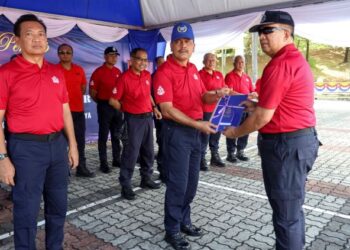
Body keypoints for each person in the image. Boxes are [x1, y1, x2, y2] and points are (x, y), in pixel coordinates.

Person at [223, 10, 319, 250]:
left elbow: (262, 118)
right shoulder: (292, 60)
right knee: (291, 211)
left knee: (286, 216)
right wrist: (255, 104)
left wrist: (235, 133)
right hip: (296, 143)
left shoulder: (280, 64)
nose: (262, 37)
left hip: (286, 147)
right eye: (259, 33)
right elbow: (276, 106)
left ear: (286, 33)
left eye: (268, 31)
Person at [0, 14, 78, 249]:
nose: (36, 39)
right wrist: (3, 158)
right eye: (29, 34)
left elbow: (65, 112)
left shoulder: (56, 72)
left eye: (41, 34)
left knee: (58, 205)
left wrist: (72, 145)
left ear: (46, 40)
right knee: (26, 210)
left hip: (57, 145)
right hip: (25, 149)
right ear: (18, 40)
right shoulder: (6, 73)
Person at [153, 22, 230, 250]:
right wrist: (197, 124)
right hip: (177, 132)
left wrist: (217, 94)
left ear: (193, 46)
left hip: (197, 132)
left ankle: (184, 220)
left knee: (191, 184)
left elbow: (201, 99)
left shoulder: (194, 71)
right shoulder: (164, 73)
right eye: (178, 41)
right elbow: (166, 109)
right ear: (172, 45)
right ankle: (172, 229)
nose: (182, 45)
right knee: (177, 184)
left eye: (187, 42)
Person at [109, 48, 161, 200]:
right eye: (140, 59)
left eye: (145, 60)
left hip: (147, 119)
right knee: (130, 154)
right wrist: (127, 110)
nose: (143, 63)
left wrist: (154, 108)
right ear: (131, 60)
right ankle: (126, 185)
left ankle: (146, 179)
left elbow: (148, 94)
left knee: (149, 151)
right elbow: (113, 100)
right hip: (133, 120)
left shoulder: (146, 75)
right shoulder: (124, 78)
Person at [58, 43, 94, 178]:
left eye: (68, 52)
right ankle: (63, 170)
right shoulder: (54, 70)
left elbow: (83, 87)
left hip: (78, 112)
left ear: (72, 55)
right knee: (61, 143)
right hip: (60, 113)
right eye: (62, 52)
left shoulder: (79, 69)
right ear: (58, 54)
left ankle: (81, 167)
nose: (65, 55)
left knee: (80, 141)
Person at [89, 46, 124, 173]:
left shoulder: (118, 71)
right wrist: (102, 103)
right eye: (111, 55)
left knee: (116, 135)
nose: (114, 57)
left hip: (117, 107)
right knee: (103, 136)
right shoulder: (98, 72)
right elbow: (92, 93)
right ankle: (103, 163)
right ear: (105, 57)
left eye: (115, 55)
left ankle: (116, 159)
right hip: (104, 106)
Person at [224, 55, 255, 162]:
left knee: (245, 129)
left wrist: (253, 94)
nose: (240, 64)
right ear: (234, 63)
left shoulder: (247, 77)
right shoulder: (229, 76)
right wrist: (245, 96)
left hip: (246, 108)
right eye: (238, 62)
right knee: (232, 129)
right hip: (235, 108)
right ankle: (230, 153)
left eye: (242, 62)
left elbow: (252, 91)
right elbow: (229, 92)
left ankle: (240, 151)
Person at [199, 53, 226, 171]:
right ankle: (201, 159)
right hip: (205, 109)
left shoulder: (219, 74)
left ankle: (214, 157)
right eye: (209, 60)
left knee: (216, 134)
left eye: (214, 60)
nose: (212, 62)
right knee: (204, 135)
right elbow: (201, 93)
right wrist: (217, 92)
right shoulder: (199, 74)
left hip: (218, 109)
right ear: (204, 61)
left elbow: (225, 89)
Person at [152, 56, 165, 181]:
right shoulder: (153, 77)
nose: (162, 65)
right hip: (160, 114)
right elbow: (150, 95)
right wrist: (155, 108)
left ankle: (168, 169)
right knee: (162, 142)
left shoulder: (168, 75)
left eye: (164, 63)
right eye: (160, 63)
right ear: (156, 64)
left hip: (171, 116)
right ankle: (162, 170)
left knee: (169, 143)